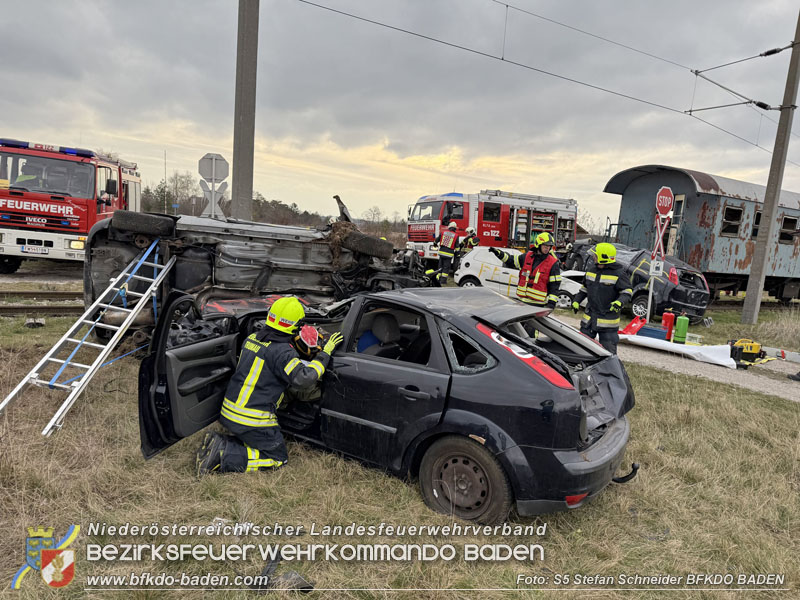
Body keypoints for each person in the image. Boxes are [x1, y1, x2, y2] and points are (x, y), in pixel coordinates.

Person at [196, 296, 343, 474]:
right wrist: (325, 353)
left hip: (229, 411)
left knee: (258, 443)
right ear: (295, 326)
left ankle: (220, 441)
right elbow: (304, 379)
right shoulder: (282, 352)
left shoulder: (251, 338)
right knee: (277, 458)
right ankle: (222, 454)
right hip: (251, 419)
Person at [570, 243, 632, 354]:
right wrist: (576, 301)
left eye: (596, 256)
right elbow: (585, 289)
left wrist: (619, 302)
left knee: (608, 353)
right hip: (589, 319)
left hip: (607, 322)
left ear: (604, 258)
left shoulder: (619, 274)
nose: (594, 257)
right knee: (581, 349)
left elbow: (627, 292)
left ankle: (609, 371)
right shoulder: (591, 270)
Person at [489, 231, 561, 309]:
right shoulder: (526, 257)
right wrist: (498, 253)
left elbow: (555, 286)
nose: (547, 248)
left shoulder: (553, 263)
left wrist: (551, 304)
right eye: (545, 246)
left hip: (538, 305)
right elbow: (510, 260)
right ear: (538, 245)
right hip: (521, 302)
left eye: (549, 246)